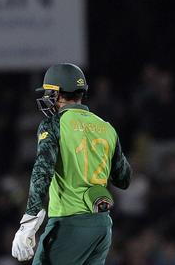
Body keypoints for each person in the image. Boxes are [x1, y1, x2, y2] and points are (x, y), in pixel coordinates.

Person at [11, 63, 132, 264]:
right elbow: (124, 178)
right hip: (101, 226)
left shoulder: (54, 124)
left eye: (49, 92)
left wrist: (29, 222)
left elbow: (43, 171)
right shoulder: (106, 127)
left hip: (69, 224)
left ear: (58, 94)